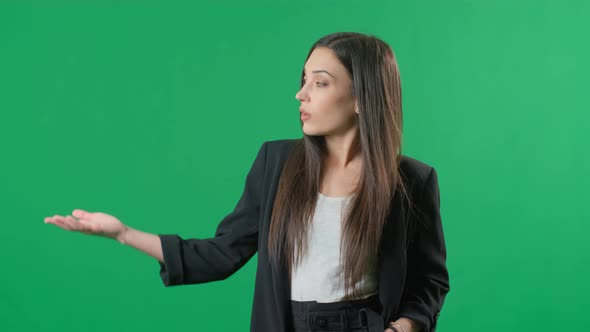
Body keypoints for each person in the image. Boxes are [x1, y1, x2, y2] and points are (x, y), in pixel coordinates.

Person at [44, 32, 450, 332]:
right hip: (286, 322)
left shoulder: (412, 180)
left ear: (363, 96)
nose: (300, 94)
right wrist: (123, 233)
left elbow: (429, 279)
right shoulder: (276, 163)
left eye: (320, 83)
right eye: (303, 79)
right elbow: (223, 253)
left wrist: (407, 326)